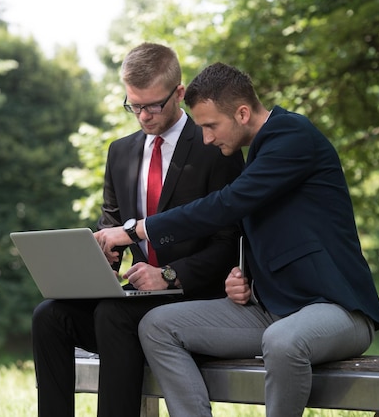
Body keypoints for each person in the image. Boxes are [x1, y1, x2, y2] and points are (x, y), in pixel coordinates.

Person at [95, 62, 379, 417]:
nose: (205, 138)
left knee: (283, 342)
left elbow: (226, 205)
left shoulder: (292, 136)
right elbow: (267, 232)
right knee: (157, 326)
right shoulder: (257, 158)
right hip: (271, 312)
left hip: (338, 309)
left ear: (243, 113)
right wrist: (244, 275)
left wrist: (135, 229)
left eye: (210, 126)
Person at [31, 46, 244, 417]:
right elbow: (111, 225)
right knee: (49, 315)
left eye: (152, 106)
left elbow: (229, 243)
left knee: (113, 315)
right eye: (134, 106)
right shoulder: (120, 153)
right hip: (134, 299)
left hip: (197, 300)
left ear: (178, 94)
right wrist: (99, 257)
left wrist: (168, 275)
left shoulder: (213, 144)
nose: (143, 116)